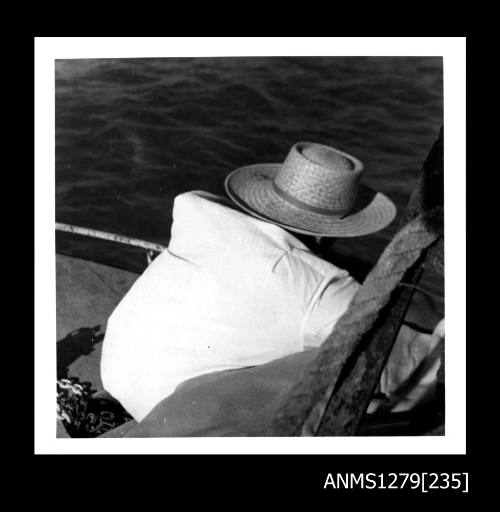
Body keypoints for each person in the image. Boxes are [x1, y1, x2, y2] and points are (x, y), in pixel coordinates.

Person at [101, 142, 430, 423]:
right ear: (330, 234)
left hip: (118, 373)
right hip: (169, 415)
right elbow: (405, 362)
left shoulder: (203, 225)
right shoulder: (320, 286)